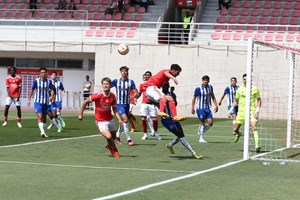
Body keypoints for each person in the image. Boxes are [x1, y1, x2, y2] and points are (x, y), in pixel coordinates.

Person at [78, 77, 122, 158]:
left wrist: (119, 119)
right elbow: (85, 102)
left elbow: (114, 109)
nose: (105, 86)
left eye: (107, 84)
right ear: (102, 85)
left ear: (110, 85)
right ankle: (114, 150)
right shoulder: (97, 96)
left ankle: (109, 146)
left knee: (113, 137)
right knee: (108, 137)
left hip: (110, 119)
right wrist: (81, 114)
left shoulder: (113, 96)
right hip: (101, 121)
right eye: (104, 84)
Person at [161, 82, 202, 159]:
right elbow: (158, 104)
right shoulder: (159, 95)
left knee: (180, 135)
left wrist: (172, 96)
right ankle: (193, 152)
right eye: (164, 86)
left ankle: (170, 145)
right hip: (166, 119)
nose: (165, 87)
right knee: (180, 135)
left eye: (167, 85)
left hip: (174, 118)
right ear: (162, 87)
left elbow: (175, 104)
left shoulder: (171, 94)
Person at [228, 73, 262, 153]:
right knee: (235, 130)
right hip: (241, 113)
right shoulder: (239, 89)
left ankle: (257, 145)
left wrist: (257, 109)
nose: (245, 80)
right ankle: (238, 134)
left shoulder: (254, 89)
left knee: (254, 127)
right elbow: (235, 101)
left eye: (247, 79)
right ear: (242, 80)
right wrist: (230, 110)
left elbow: (259, 99)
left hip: (252, 112)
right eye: (244, 79)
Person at [111, 66, 138, 146]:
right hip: (119, 104)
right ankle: (129, 140)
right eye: (122, 71)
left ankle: (117, 136)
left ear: (127, 72)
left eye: (125, 71)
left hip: (127, 104)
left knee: (123, 122)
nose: (124, 72)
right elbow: (108, 87)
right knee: (125, 120)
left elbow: (136, 92)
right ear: (120, 72)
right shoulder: (116, 81)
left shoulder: (131, 82)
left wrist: (133, 97)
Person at [27, 67, 55, 138]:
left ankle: (43, 132)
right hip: (37, 102)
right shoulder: (36, 81)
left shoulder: (49, 82)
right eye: (42, 72)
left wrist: (51, 96)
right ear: (40, 73)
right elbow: (32, 90)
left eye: (44, 72)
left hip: (45, 102)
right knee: (40, 116)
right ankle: (42, 132)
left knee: (44, 118)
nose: (43, 74)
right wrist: (29, 99)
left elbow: (52, 89)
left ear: (46, 73)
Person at [191, 75, 218, 143]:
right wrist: (192, 107)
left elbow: (213, 96)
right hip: (200, 108)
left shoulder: (210, 87)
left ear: (208, 81)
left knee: (210, 123)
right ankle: (201, 138)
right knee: (202, 122)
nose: (205, 81)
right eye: (204, 80)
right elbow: (194, 98)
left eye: (207, 80)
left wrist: (216, 105)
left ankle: (200, 131)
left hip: (207, 108)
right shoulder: (198, 88)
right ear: (202, 81)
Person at [138, 71, 161, 140]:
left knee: (154, 120)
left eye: (149, 75)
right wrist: (135, 97)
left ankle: (156, 132)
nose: (147, 76)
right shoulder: (142, 85)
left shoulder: (154, 85)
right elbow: (139, 93)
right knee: (143, 119)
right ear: (145, 76)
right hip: (144, 104)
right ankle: (145, 134)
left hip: (152, 104)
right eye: (146, 75)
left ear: (151, 76)